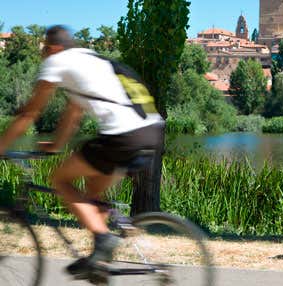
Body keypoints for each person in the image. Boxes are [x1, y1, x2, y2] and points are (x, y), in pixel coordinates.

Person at [0, 25, 164, 277]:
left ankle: (103, 240)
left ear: (53, 47)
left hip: (123, 134)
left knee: (59, 178)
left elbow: (30, 114)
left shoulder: (57, 61)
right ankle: (99, 262)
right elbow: (73, 114)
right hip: (151, 131)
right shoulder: (88, 60)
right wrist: (55, 145)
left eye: (44, 49)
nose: (43, 54)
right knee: (92, 193)